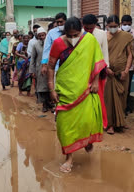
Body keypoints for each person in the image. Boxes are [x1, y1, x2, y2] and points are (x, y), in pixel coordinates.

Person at [47, 17, 107, 173]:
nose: (73, 38)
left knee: (87, 121)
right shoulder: (58, 43)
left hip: (85, 89)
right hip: (65, 90)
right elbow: (51, 67)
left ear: (81, 31)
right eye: (70, 35)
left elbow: (97, 61)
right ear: (64, 32)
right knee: (64, 126)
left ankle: (87, 141)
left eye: (76, 35)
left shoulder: (89, 40)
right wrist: (51, 89)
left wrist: (95, 82)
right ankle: (69, 158)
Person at [104, 15, 133, 134]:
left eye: (115, 26)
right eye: (110, 26)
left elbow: (130, 54)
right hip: (108, 73)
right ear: (106, 26)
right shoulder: (103, 37)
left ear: (119, 25)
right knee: (108, 99)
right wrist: (105, 68)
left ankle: (120, 122)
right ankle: (110, 124)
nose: (113, 29)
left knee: (122, 96)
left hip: (122, 73)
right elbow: (99, 54)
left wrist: (126, 70)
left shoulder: (125, 37)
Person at [82, 14, 110, 128]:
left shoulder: (102, 34)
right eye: (86, 28)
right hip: (82, 71)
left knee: (98, 97)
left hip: (98, 71)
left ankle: (99, 123)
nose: (88, 30)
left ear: (95, 25)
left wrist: (106, 68)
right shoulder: (78, 34)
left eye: (91, 28)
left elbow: (105, 53)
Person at [29, 27, 53, 112]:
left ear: (46, 35)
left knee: (51, 86)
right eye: (40, 36)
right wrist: (32, 71)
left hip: (50, 68)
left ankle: (51, 103)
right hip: (40, 69)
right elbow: (32, 58)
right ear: (38, 36)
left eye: (43, 35)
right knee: (42, 88)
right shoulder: (35, 45)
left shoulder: (51, 43)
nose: (42, 37)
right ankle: (44, 105)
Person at [121, 15, 134, 115]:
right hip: (119, 65)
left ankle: (126, 106)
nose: (126, 26)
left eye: (128, 24)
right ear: (121, 23)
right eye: (124, 24)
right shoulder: (117, 32)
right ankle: (119, 106)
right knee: (119, 87)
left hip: (130, 66)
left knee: (128, 87)